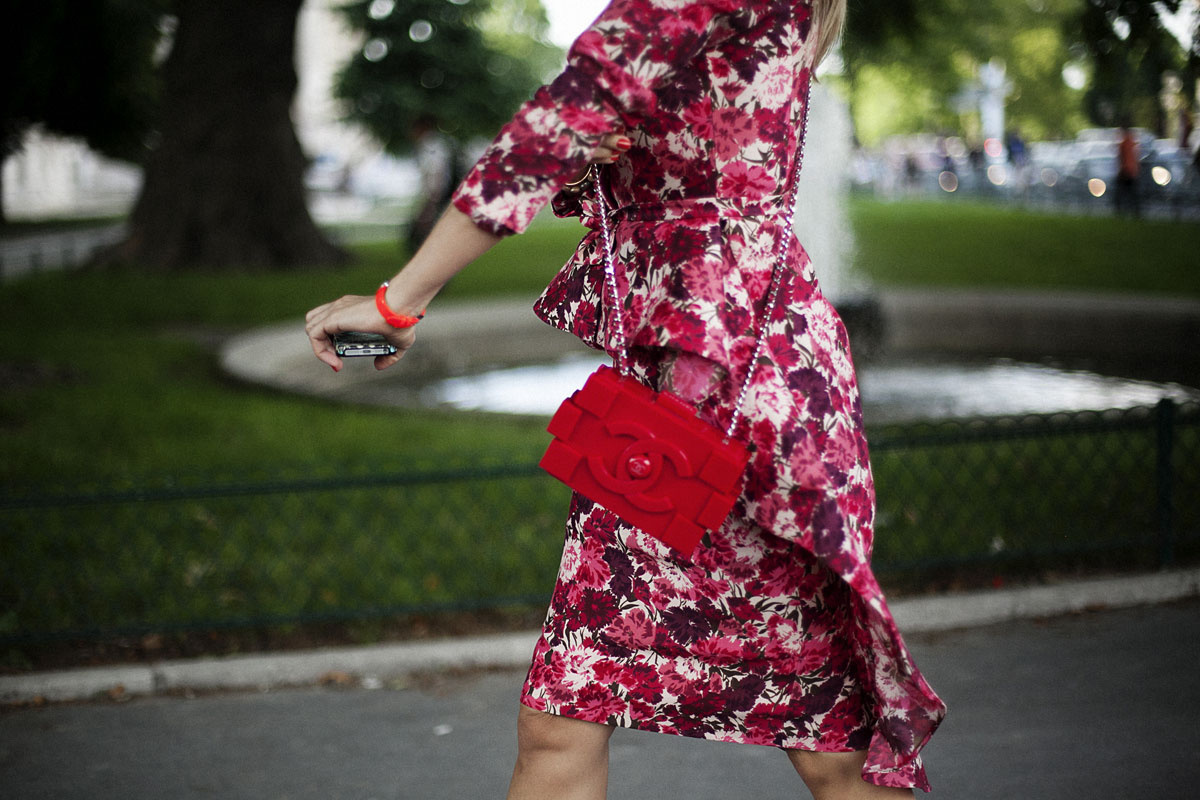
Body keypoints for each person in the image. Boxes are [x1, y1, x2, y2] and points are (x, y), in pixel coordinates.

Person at [306, 2, 945, 797]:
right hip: (688, 392)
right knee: (573, 717)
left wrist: (399, 302)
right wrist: (604, 156)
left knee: (824, 744)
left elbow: (561, 116)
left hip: (736, 393)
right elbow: (655, 146)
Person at [1114, 122, 1142, 218]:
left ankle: (1121, 211)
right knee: (1132, 192)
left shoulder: (1123, 143)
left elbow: (1121, 157)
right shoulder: (1133, 141)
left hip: (1125, 170)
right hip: (1133, 170)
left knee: (1121, 192)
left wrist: (1121, 169)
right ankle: (1135, 211)